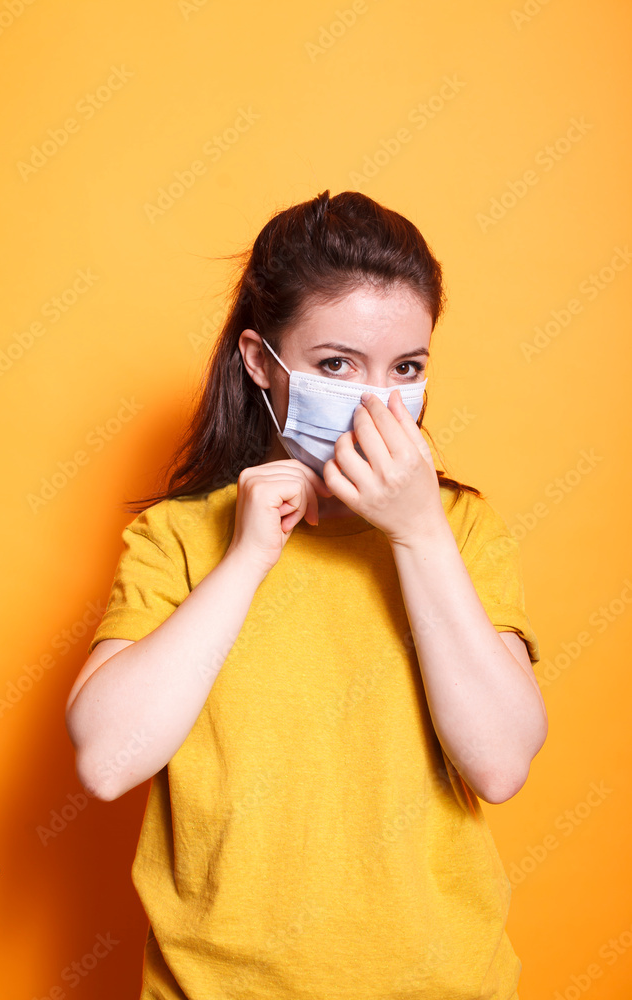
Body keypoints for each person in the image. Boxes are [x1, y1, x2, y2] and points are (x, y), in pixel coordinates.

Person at [65, 189, 547, 1000]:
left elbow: (499, 764)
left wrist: (416, 533)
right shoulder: (179, 538)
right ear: (260, 361)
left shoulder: (459, 530)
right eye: (335, 365)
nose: (377, 399)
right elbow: (107, 762)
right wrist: (246, 559)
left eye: (406, 369)